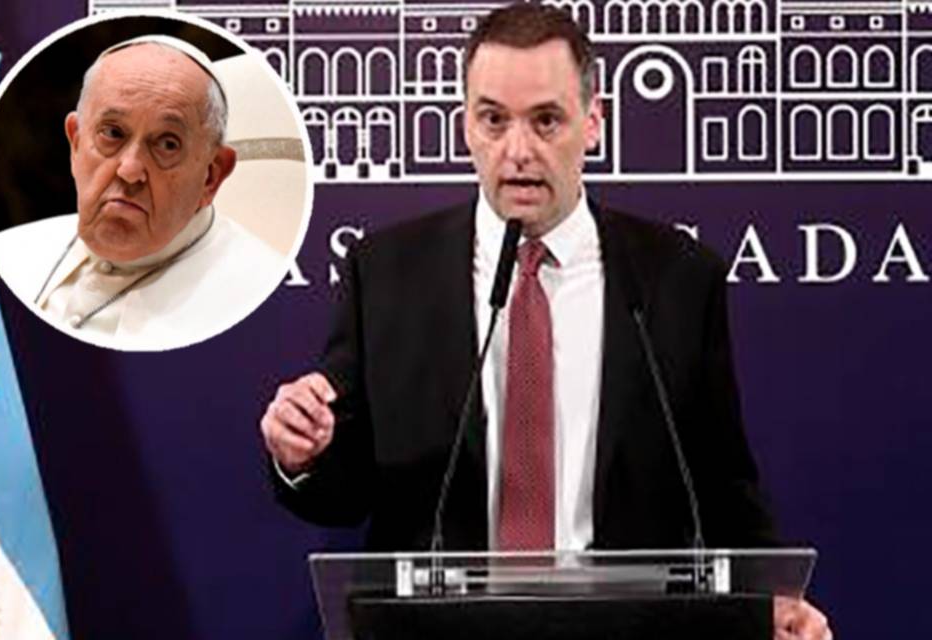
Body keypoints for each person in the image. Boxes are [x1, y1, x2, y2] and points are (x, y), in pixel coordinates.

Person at [260, 4, 831, 638]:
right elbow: (344, 494)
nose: (518, 151)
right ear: (465, 125)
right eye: (494, 119)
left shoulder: (678, 278)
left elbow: (721, 487)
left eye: (546, 120)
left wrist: (775, 601)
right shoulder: (387, 274)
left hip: (629, 631)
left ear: (593, 122)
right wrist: (302, 453)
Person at [0, 35, 285, 350]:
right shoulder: (4, 254)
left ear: (211, 176)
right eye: (112, 133)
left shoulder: (259, 295)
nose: (129, 170)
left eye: (167, 144)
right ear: (75, 143)